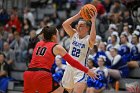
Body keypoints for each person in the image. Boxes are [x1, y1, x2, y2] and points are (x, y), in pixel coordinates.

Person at [23, 26, 97, 93]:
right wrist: (87, 71)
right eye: (57, 34)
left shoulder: (38, 43)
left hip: (28, 74)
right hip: (42, 75)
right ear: (54, 36)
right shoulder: (56, 47)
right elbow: (73, 62)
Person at [62, 10, 97, 93]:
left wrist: (93, 22)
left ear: (87, 28)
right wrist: (78, 15)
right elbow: (65, 24)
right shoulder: (73, 34)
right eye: (78, 25)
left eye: (81, 26)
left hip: (81, 70)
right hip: (69, 68)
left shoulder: (88, 39)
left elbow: (93, 39)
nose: (78, 27)